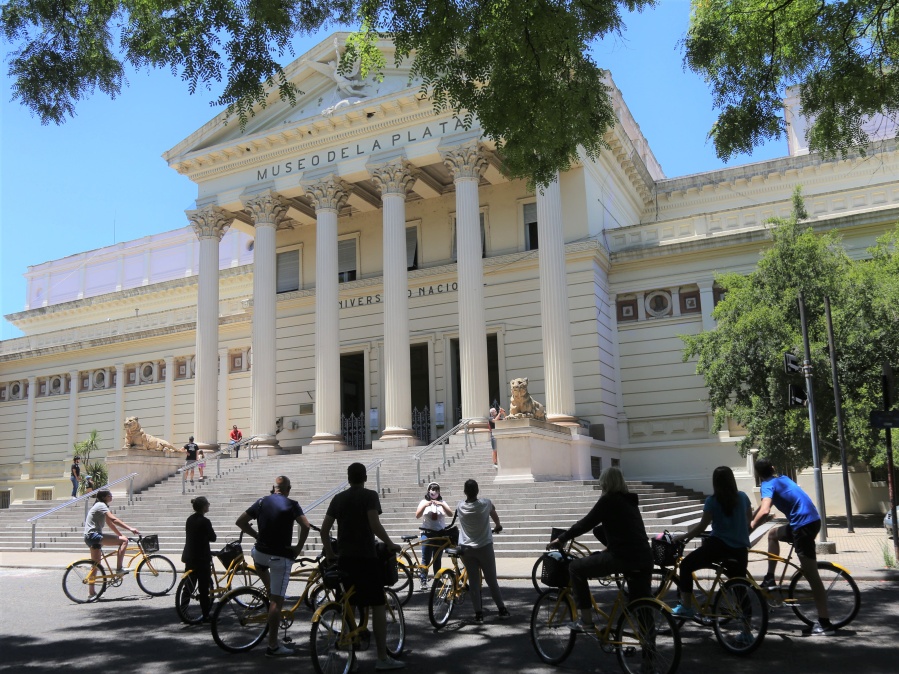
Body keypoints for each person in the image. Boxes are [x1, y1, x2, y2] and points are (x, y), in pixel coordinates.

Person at [549, 466, 653, 636]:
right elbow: (615, 530)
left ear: (606, 484)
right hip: (644, 557)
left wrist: (562, 538)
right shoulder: (629, 501)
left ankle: (586, 621)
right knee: (642, 604)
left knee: (575, 568)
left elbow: (586, 523)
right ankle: (650, 653)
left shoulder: (609, 500)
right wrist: (608, 547)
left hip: (624, 557)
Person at [320, 463, 405, 671]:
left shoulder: (338, 499)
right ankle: (382, 657)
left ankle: (352, 653)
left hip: (344, 558)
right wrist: (390, 543)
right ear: (365, 477)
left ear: (348, 478)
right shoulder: (369, 496)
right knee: (377, 604)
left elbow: (324, 530)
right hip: (366, 557)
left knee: (347, 603)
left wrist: (331, 554)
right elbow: (374, 524)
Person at [750, 458, 833, 635]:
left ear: (757, 474)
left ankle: (825, 623)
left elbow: (765, 510)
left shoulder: (767, 485)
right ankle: (770, 577)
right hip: (809, 521)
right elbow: (762, 507)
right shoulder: (783, 478)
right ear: (773, 468)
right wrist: (752, 516)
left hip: (802, 526)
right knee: (773, 535)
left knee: (812, 575)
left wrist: (750, 528)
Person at [236, 475, 311, 658]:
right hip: (280, 557)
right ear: (288, 489)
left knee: (267, 580)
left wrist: (257, 536)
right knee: (277, 601)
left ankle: (269, 594)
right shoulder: (292, 504)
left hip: (259, 553)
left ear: (273, 488)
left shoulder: (261, 502)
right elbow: (306, 526)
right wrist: (298, 549)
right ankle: (273, 645)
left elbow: (240, 522)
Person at [670, 466, 752, 618]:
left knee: (686, 565)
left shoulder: (712, 501)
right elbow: (749, 519)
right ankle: (747, 631)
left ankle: (686, 607)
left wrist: (683, 537)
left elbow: (701, 527)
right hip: (740, 549)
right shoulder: (743, 497)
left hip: (718, 546)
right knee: (740, 587)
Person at [456, 478, 510, 623]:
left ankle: (478, 614)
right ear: (477, 491)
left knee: (473, 581)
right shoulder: (485, 503)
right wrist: (498, 524)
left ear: (465, 492)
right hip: (484, 546)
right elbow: (493, 511)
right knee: (491, 579)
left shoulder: (460, 506)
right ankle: (501, 609)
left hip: (467, 548)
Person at [83, 489, 140, 595]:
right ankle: (119, 569)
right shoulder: (101, 505)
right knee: (124, 541)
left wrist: (119, 535)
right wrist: (130, 529)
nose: (111, 497)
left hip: (89, 536)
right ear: (104, 497)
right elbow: (113, 520)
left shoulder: (100, 506)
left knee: (96, 565)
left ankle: (91, 593)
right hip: (94, 535)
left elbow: (110, 523)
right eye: (110, 495)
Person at [182, 496, 216, 622]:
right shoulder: (205, 521)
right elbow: (213, 537)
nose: (209, 505)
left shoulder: (189, 519)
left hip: (190, 556)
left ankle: (183, 611)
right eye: (207, 504)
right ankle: (206, 615)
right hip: (202, 557)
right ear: (203, 507)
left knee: (188, 586)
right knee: (203, 587)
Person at [415, 481, 453, 590]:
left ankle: (437, 581)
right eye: (432, 489)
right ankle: (423, 580)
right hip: (427, 533)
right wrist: (425, 505)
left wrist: (442, 505)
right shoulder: (423, 501)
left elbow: (450, 514)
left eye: (437, 490)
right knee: (426, 558)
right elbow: (417, 515)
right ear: (428, 491)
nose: (434, 492)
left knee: (437, 558)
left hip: (439, 534)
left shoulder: (442, 502)